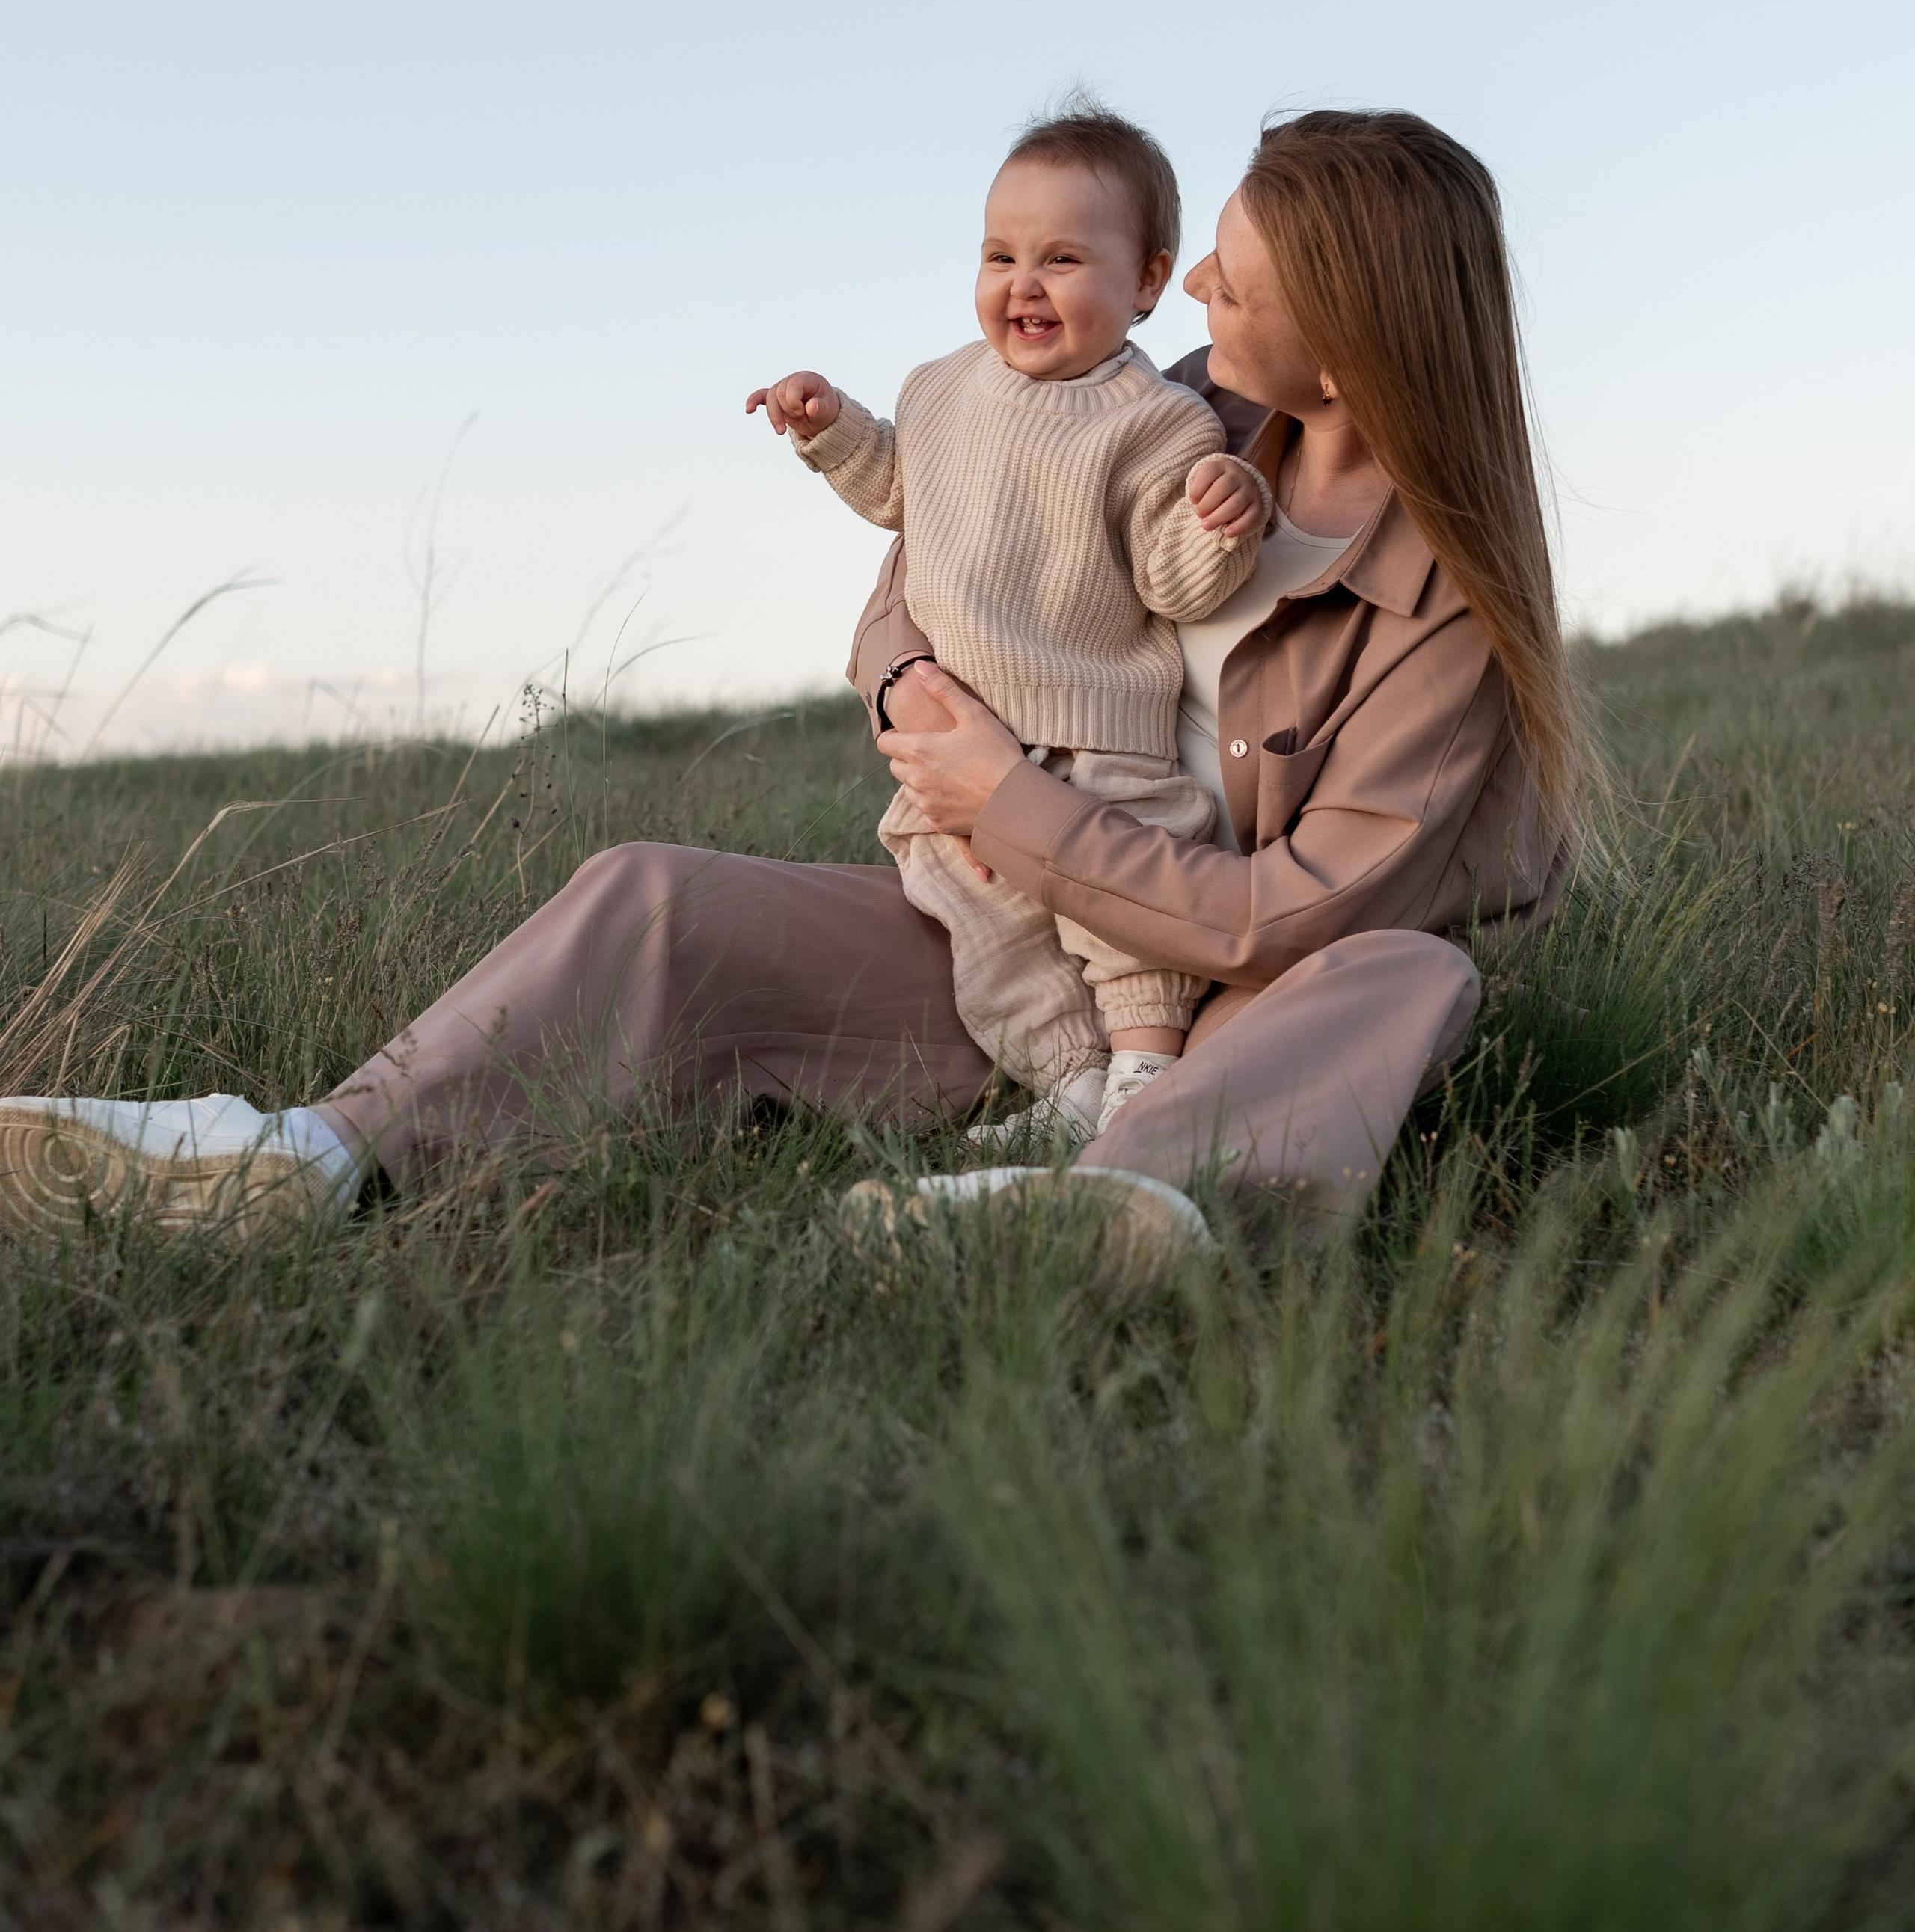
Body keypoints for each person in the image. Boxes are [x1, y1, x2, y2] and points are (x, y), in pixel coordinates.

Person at [0, 110, 1574, 1278]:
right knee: (653, 894)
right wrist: (909, 693)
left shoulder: (1444, 607)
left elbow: (1286, 920)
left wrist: (1013, 805)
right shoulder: (1171, 407)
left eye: (1231, 282)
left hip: (1244, 1008)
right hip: (1003, 946)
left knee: (1399, 976)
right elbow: (940, 541)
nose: (1198, 292)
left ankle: (1124, 1201)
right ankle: (313, 1154)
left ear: (1350, 349)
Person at [747, 108, 1270, 1150]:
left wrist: (1219, 517)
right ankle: (1072, 1083)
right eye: (1000, 256)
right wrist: (832, 428)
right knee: (983, 929)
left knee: (1117, 925)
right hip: (955, 748)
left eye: (1063, 259)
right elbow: (902, 485)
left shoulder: (1157, 421)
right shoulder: (940, 391)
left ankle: (1145, 1072)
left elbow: (1174, 581)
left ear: (1148, 281)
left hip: (1097, 736)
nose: (1022, 284)